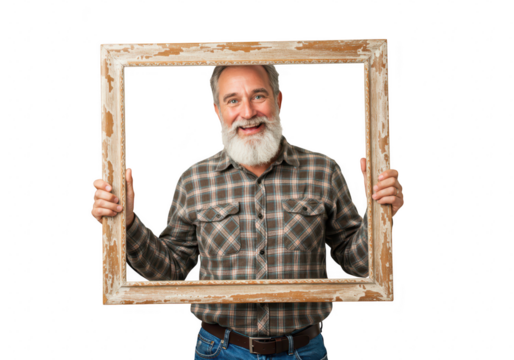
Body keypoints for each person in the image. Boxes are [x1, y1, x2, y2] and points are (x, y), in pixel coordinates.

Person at [92, 65, 405, 359]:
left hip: (305, 350)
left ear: (279, 100)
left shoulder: (323, 171)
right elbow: (171, 272)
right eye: (233, 100)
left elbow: (357, 262)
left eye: (259, 95)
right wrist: (128, 223)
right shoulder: (194, 180)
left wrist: (381, 213)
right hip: (219, 350)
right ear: (218, 110)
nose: (248, 112)